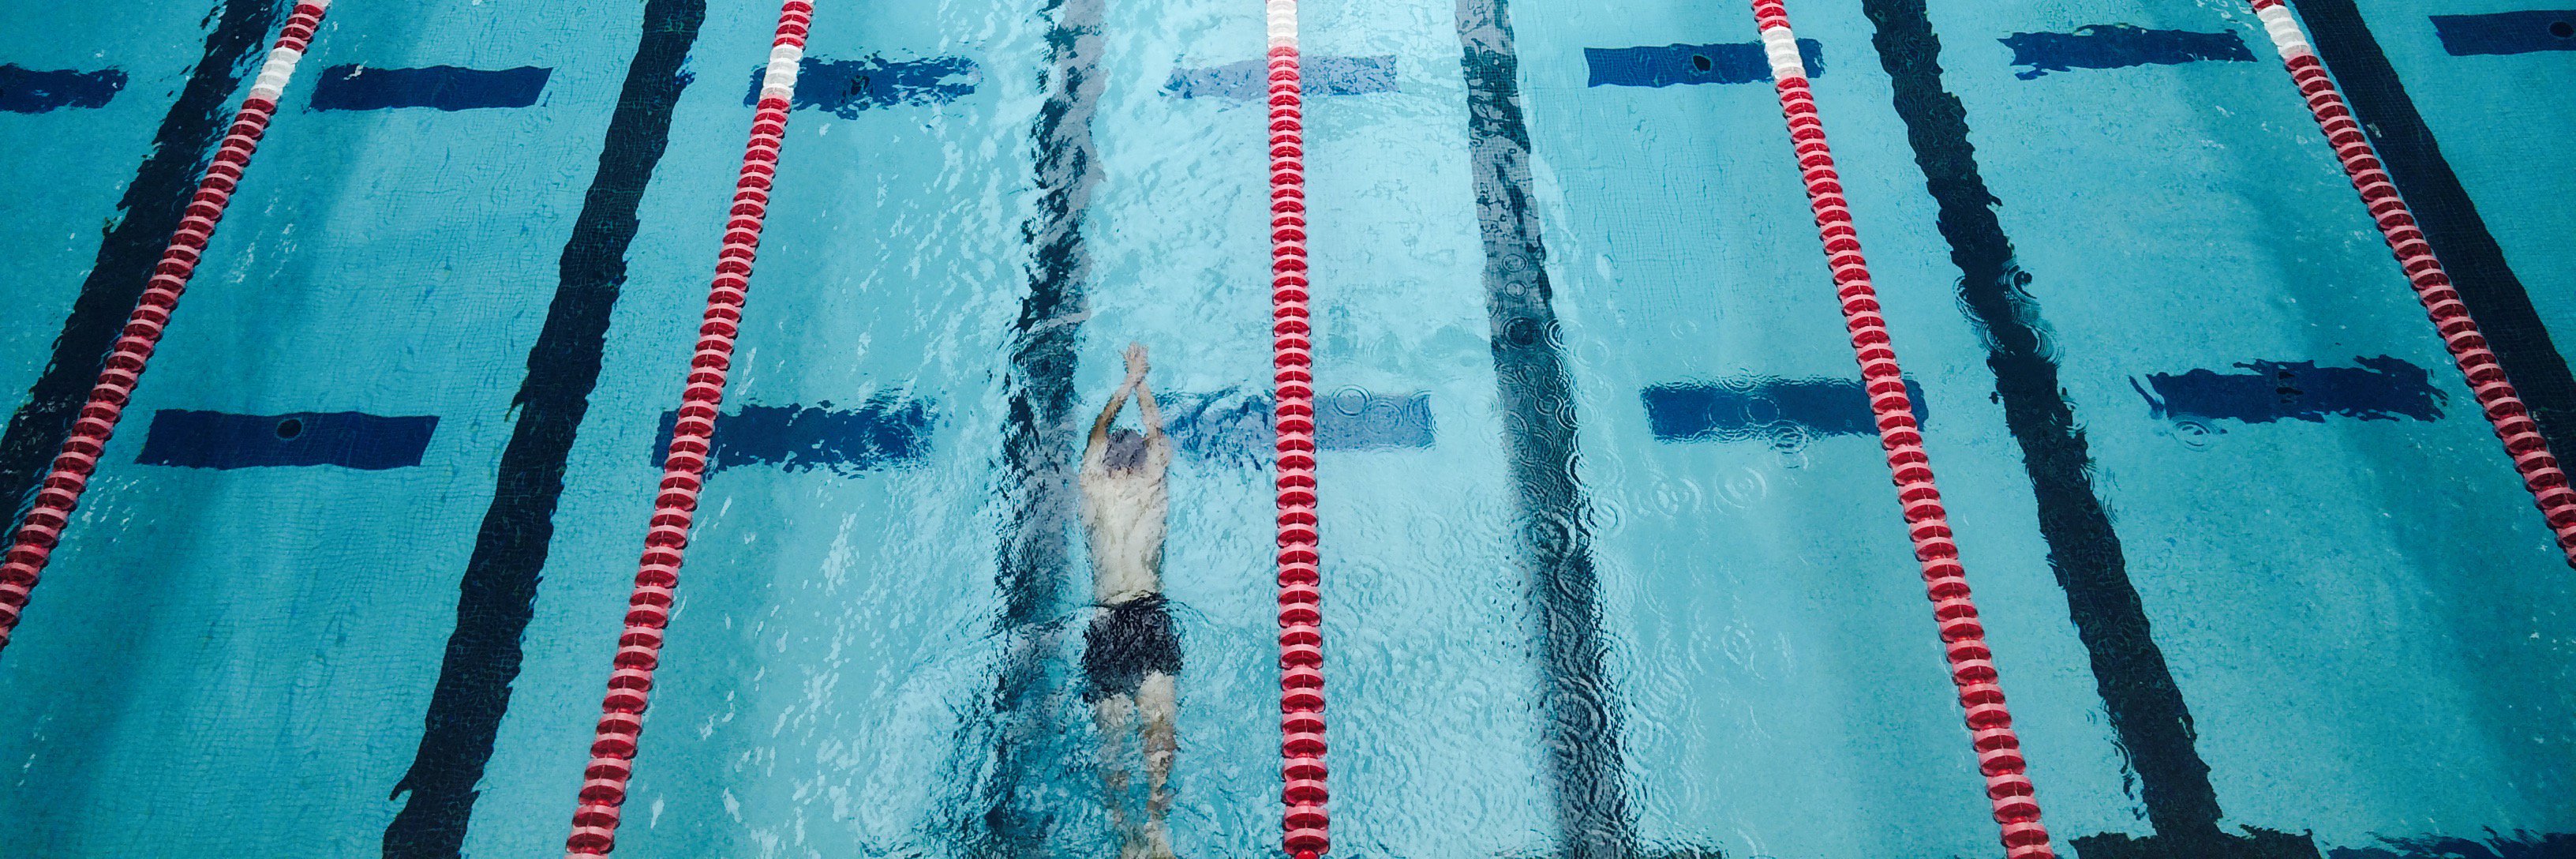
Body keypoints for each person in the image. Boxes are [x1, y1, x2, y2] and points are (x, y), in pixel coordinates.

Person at [1080, 343, 1181, 859]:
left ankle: (1126, 832)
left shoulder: (1095, 490)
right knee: (1158, 737)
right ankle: (1154, 823)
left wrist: (1125, 384)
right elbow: (1158, 437)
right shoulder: (1151, 486)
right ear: (1140, 461)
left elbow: (1097, 434)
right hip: (1150, 617)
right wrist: (1142, 381)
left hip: (1105, 626)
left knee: (1113, 751)